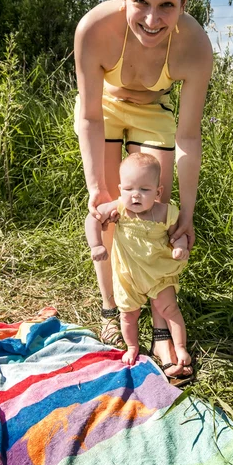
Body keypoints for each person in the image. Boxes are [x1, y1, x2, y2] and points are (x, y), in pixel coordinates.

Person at [74, 0, 213, 382]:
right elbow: (91, 116)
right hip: (106, 109)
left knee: (153, 205)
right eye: (141, 1)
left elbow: (188, 137)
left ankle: (159, 318)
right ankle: (112, 307)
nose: (153, 19)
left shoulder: (195, 46)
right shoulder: (94, 29)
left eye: (168, 4)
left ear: (184, 0)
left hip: (154, 110)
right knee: (113, 204)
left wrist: (186, 214)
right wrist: (97, 188)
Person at [85, 153, 192, 382]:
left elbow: (177, 234)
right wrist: (95, 244)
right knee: (128, 316)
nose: (136, 195)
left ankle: (181, 348)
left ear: (158, 192)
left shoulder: (166, 212)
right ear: (121, 189)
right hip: (128, 277)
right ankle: (132, 346)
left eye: (144, 190)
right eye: (129, 189)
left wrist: (180, 247)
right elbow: (92, 218)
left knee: (170, 309)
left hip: (158, 274)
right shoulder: (120, 208)